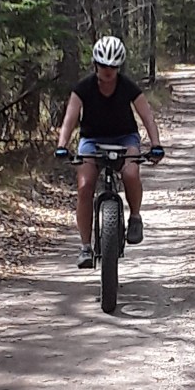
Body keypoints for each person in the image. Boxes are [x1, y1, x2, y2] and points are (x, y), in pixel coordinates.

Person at [55, 36, 164, 269]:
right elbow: (70, 118)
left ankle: (135, 217)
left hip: (125, 138)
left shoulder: (127, 87)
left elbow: (147, 116)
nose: (108, 71)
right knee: (85, 187)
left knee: (131, 173)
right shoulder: (83, 88)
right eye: (104, 66)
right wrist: (62, 145)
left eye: (113, 67)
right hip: (92, 140)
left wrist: (155, 144)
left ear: (119, 67)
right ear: (95, 65)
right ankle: (85, 247)